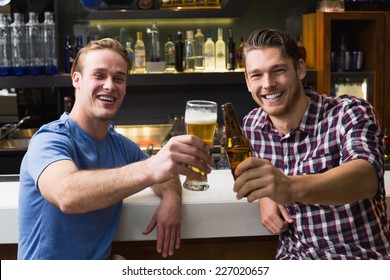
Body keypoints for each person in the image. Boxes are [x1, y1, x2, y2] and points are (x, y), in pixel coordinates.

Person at [18, 38, 213, 260]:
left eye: (118, 78)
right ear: (77, 80)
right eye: (99, 75)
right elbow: (66, 194)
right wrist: (149, 168)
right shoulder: (49, 139)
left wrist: (171, 199)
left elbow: (165, 177)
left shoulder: (119, 145)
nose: (110, 85)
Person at [233, 29, 390, 259]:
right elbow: (252, 178)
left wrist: (288, 188)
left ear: (300, 69)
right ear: (248, 81)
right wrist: (266, 196)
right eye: (256, 75)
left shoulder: (348, 112)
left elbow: (366, 177)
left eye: (278, 70)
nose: (267, 84)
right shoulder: (251, 127)